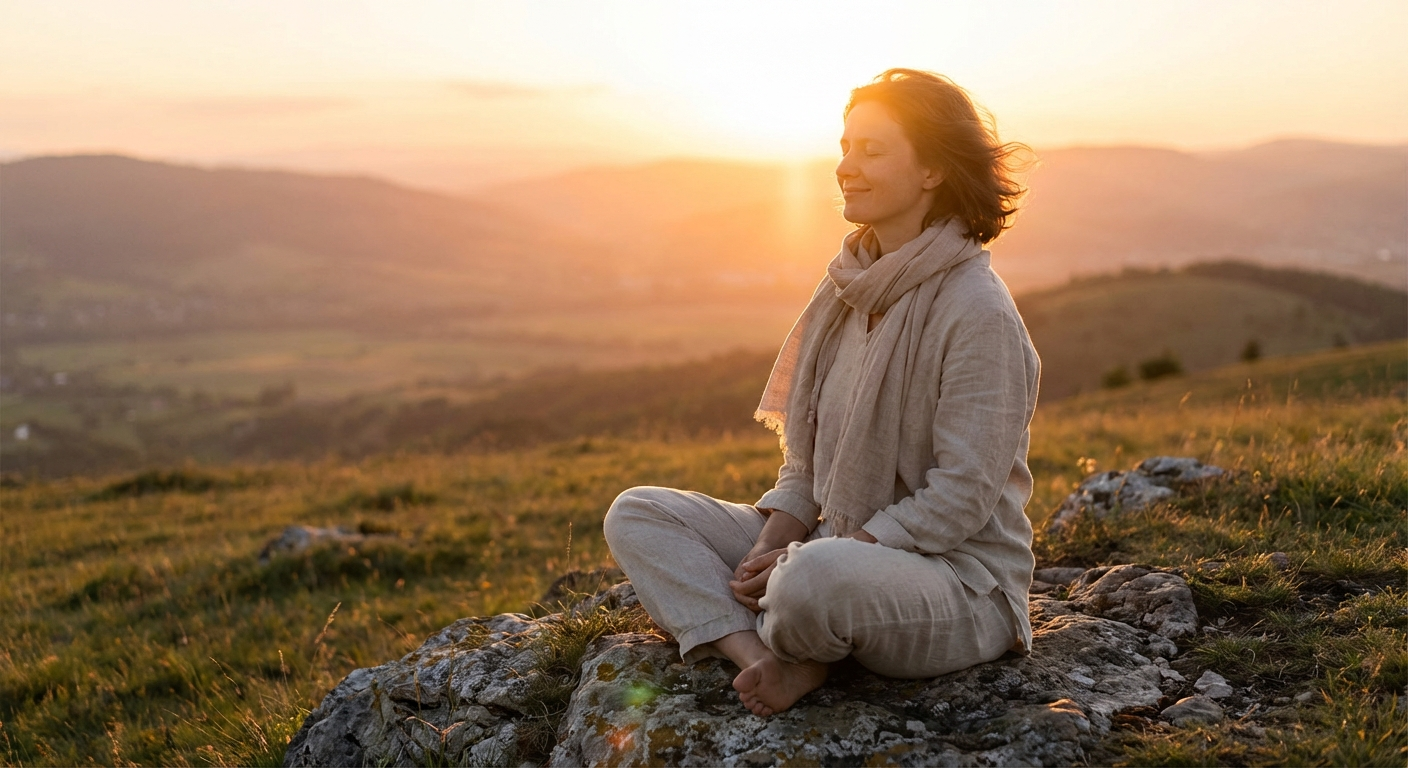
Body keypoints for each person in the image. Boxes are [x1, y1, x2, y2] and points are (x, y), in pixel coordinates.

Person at [603, 68, 1040, 718]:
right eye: (844, 147)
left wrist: (807, 555)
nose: (845, 166)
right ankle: (767, 661)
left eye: (872, 150)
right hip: (830, 538)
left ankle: (796, 624)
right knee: (638, 514)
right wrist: (764, 549)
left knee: (812, 580)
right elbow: (808, 466)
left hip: (956, 580)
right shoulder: (845, 287)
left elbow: (961, 498)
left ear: (931, 170)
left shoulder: (977, 310)